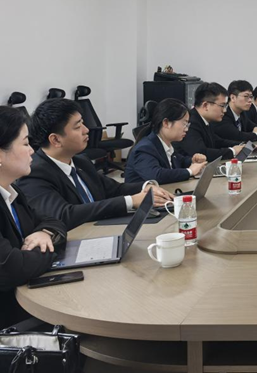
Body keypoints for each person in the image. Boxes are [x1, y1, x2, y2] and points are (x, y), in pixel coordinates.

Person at [18, 99, 173, 231]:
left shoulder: (81, 161)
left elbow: (114, 189)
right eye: (77, 127)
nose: (86, 130)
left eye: (83, 123)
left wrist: (146, 187)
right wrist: (131, 201)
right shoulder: (34, 173)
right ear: (56, 140)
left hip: (101, 230)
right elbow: (64, 215)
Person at [0, 106, 67, 328]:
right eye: (25, 143)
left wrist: (44, 233)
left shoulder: (12, 192)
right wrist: (50, 250)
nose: (32, 151)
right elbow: (11, 267)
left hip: (24, 298)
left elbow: (52, 221)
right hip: (8, 316)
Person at [125, 99, 208, 185]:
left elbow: (180, 161)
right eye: (184, 124)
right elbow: (156, 175)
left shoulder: (166, 144)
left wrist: (193, 161)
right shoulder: (145, 148)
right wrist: (190, 171)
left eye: (187, 125)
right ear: (166, 123)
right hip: (143, 193)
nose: (186, 129)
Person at [174, 82, 245, 162]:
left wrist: (241, 145)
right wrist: (232, 151)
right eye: (222, 106)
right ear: (205, 105)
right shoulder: (191, 122)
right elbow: (202, 153)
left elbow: (218, 141)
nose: (225, 110)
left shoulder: (204, 120)